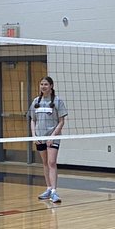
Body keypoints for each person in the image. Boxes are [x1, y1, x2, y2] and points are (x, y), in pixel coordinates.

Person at [28, 76, 68, 204]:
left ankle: (54, 192)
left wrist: (53, 136)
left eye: (46, 84)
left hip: (53, 137)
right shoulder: (36, 101)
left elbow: (61, 121)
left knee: (52, 162)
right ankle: (48, 188)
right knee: (45, 163)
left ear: (51, 86)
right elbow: (32, 120)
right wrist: (34, 135)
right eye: (41, 84)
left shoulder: (57, 101)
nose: (43, 86)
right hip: (40, 137)